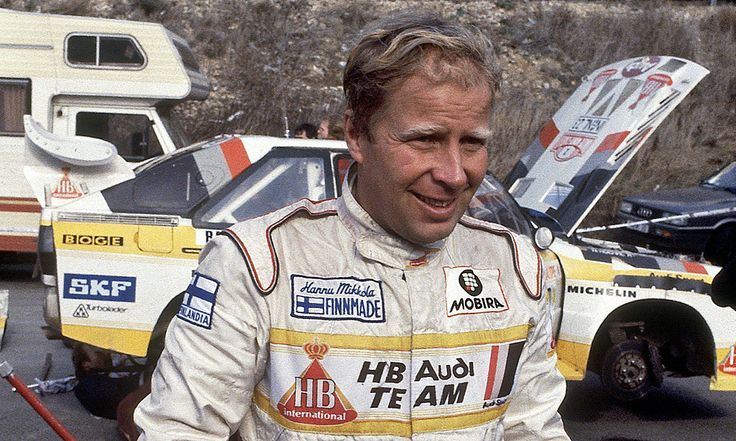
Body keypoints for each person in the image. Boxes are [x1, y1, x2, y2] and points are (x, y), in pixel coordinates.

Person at [135, 13, 570, 440]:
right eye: (425, 139)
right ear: (358, 135)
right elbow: (179, 430)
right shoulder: (259, 264)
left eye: (472, 142)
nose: (454, 174)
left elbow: (534, 431)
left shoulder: (515, 267)